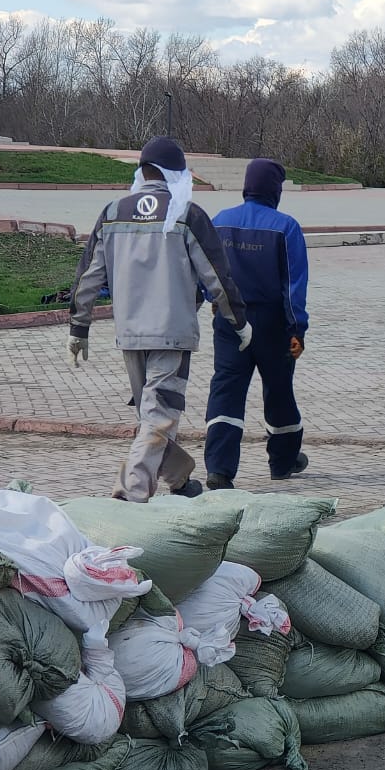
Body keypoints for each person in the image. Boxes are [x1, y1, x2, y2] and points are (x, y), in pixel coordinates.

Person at [67, 136, 251, 502]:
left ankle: (180, 478)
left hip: (130, 335)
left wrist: (79, 326)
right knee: (156, 418)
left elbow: (89, 274)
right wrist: (239, 321)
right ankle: (129, 495)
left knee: (151, 417)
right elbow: (217, 275)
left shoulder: (113, 212)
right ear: (176, 174)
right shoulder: (187, 214)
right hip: (172, 334)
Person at [203, 158, 310, 489]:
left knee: (226, 388)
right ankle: (282, 460)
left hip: (228, 320)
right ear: (275, 189)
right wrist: (297, 329)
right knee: (278, 389)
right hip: (272, 324)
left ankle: (219, 469)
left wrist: (212, 302)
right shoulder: (285, 227)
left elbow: (205, 271)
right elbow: (293, 285)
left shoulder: (219, 222)